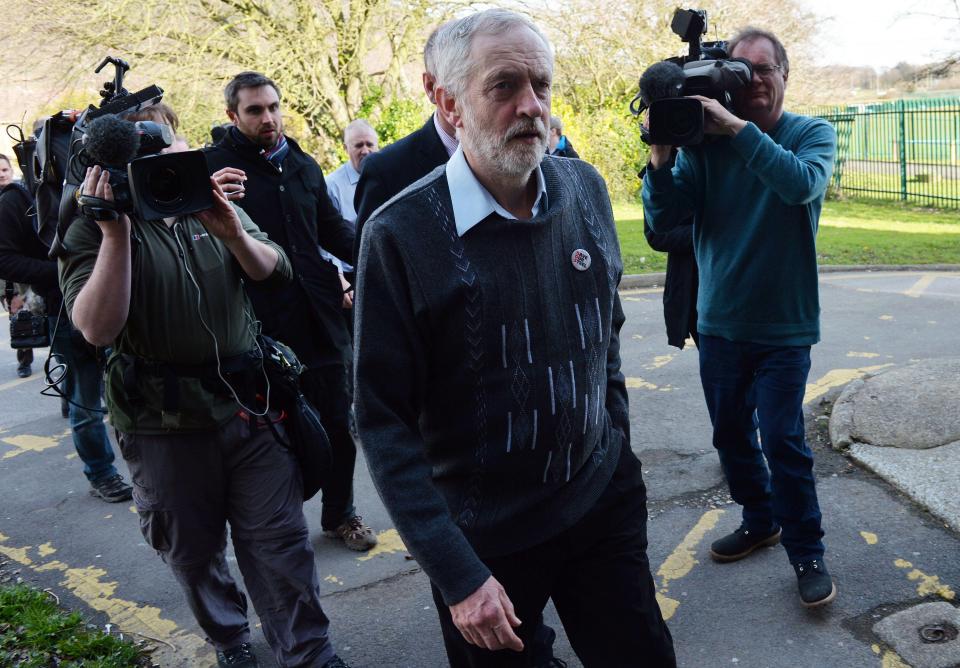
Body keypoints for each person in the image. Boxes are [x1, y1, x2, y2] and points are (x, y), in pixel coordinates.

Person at [354, 10, 676, 667]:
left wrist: (619, 454)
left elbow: (604, 338)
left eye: (542, 85)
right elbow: (381, 422)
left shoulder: (584, 188)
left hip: (599, 502)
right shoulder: (399, 234)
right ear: (447, 102)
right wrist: (457, 574)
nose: (532, 106)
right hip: (484, 544)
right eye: (504, 86)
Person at [58, 160, 352, 668]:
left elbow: (272, 269)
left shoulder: (210, 205)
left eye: (171, 156)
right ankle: (229, 635)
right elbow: (97, 330)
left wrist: (234, 232)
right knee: (192, 553)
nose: (163, 173)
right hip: (161, 425)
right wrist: (115, 232)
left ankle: (309, 653)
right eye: (145, 164)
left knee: (280, 544)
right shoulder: (94, 224)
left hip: (248, 408)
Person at [642, 26, 838, 608]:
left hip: (784, 327)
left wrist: (737, 130)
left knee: (782, 438)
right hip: (719, 323)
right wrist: (661, 154)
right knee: (730, 434)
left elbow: (799, 186)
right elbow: (668, 217)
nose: (750, 81)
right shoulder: (708, 146)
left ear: (784, 75)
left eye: (762, 70)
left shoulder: (811, 135)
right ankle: (760, 519)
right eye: (739, 70)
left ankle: (807, 551)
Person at [204, 72, 377, 552]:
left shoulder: (300, 163)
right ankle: (279, 527)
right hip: (258, 327)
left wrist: (375, 255)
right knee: (272, 435)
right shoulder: (214, 170)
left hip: (320, 319)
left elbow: (331, 230)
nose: (269, 118)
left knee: (340, 426)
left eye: (274, 107)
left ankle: (341, 514)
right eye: (256, 110)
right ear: (232, 116)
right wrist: (205, 194)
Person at [0, 148, 134, 502]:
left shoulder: (99, 186)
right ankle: (101, 472)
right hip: (64, 313)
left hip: (118, 304)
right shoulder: (17, 201)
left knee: (125, 387)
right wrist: (62, 271)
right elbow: (4, 260)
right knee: (85, 399)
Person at [352, 21, 458, 263]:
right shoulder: (387, 172)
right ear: (432, 88)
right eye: (463, 77)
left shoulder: (520, 162)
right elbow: (371, 275)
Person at [0, 153, 34, 378]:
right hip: (8, 276)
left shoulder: (24, 197)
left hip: (26, 272)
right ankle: (24, 359)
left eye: (4, 170)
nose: (1, 175)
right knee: (18, 320)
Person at [326, 119, 379, 225]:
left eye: (370, 144)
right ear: (346, 148)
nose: (365, 151)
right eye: (358, 145)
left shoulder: (388, 176)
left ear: (377, 145)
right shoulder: (332, 186)